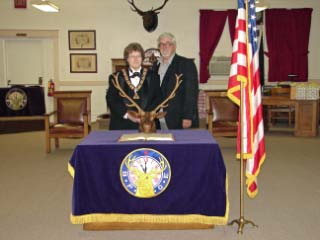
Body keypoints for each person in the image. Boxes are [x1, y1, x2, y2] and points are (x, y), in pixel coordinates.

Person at [106, 43, 162, 130]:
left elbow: (158, 98)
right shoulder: (115, 77)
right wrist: (127, 115)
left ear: (142, 58)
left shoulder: (154, 76)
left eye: (138, 56)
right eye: (132, 56)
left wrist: (146, 116)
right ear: (127, 59)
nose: (135, 59)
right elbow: (111, 99)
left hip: (147, 125)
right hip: (121, 124)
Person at [152, 32, 199, 129]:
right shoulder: (155, 66)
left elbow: (191, 93)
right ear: (158, 47)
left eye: (168, 43)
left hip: (178, 118)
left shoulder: (186, 64)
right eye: (162, 44)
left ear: (174, 46)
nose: (165, 47)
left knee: (178, 144)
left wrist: (187, 116)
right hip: (157, 118)